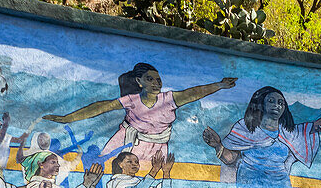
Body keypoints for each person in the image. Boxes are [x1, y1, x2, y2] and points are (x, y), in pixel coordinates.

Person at [43, 63, 237, 161]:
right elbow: (101, 107)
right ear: (139, 82)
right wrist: (66, 118)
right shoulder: (132, 101)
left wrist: (219, 85)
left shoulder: (168, 99)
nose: (156, 83)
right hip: (126, 141)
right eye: (150, 79)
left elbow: (193, 93)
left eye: (158, 80)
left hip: (157, 146)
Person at [204, 86, 321, 188]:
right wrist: (218, 145)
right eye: (271, 101)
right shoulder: (245, 128)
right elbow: (231, 159)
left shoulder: (289, 132)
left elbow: (316, 127)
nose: (277, 105)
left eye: (280, 103)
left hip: (280, 187)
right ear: (261, 104)